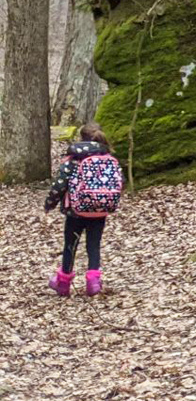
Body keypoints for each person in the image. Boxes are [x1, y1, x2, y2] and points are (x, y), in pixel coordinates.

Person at [43, 125, 123, 297]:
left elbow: (59, 185)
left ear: (81, 138)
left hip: (75, 211)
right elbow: (119, 181)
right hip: (100, 210)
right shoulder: (108, 158)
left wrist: (49, 204)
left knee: (70, 245)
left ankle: (63, 283)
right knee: (93, 245)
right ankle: (93, 283)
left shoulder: (73, 160)